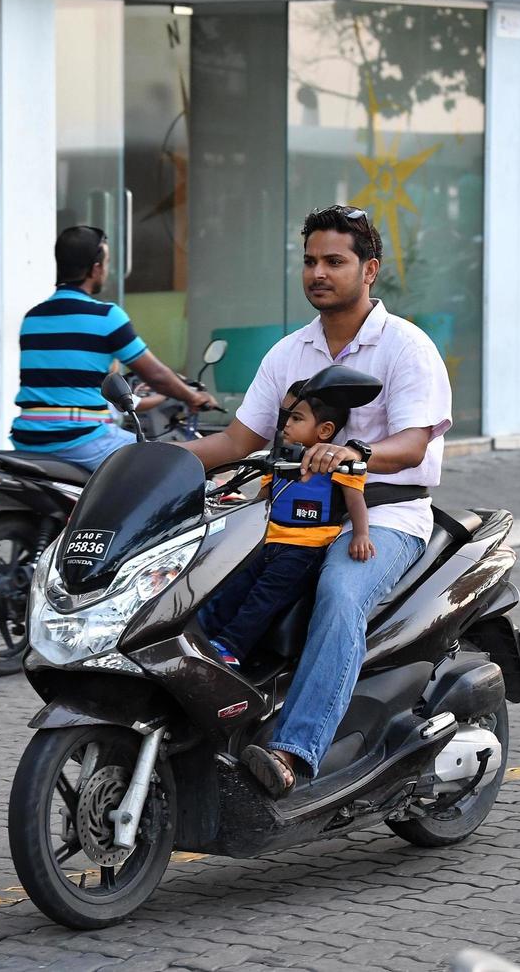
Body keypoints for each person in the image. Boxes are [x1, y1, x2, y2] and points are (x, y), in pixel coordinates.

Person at [177, 205, 452, 797]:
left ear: (369, 269)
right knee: (198, 575)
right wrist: (149, 463)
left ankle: (295, 752)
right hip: (291, 511)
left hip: (382, 517)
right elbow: (236, 440)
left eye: (335, 261)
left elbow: (409, 445)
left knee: (340, 591)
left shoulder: (406, 347)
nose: (318, 273)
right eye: (309, 261)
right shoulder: (289, 354)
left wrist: (353, 453)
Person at [11, 225, 215, 470]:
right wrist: (193, 396)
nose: (106, 270)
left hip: (27, 438)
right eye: (106, 262)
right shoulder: (106, 317)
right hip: (81, 438)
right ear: (96, 268)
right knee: (169, 466)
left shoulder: (33, 318)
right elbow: (156, 376)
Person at [199, 378, 371, 669]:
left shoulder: (339, 464)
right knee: (232, 586)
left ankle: (230, 647)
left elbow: (355, 501)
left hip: (303, 550)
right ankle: (202, 636)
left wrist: (361, 535)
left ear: (325, 430)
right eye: (284, 417)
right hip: (266, 542)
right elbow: (263, 501)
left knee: (263, 599)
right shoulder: (277, 461)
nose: (285, 425)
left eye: (296, 418)